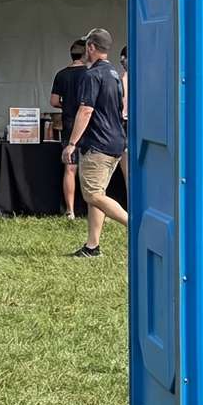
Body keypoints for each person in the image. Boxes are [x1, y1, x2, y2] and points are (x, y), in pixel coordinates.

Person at [62, 28, 127, 257]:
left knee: (92, 195)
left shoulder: (92, 75)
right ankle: (92, 246)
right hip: (116, 142)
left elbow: (86, 110)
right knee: (97, 193)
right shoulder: (114, 74)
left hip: (98, 143)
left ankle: (135, 225)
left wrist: (71, 143)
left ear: (90, 47)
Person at [50, 39, 89, 219]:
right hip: (88, 125)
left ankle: (70, 210)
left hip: (69, 124)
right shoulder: (90, 74)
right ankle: (92, 207)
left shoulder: (61, 74)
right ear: (85, 53)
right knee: (90, 168)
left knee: (70, 168)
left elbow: (54, 101)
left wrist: (67, 106)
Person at [118, 44, 129, 188]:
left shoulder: (121, 80)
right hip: (125, 125)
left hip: (125, 125)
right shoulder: (121, 79)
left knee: (128, 172)